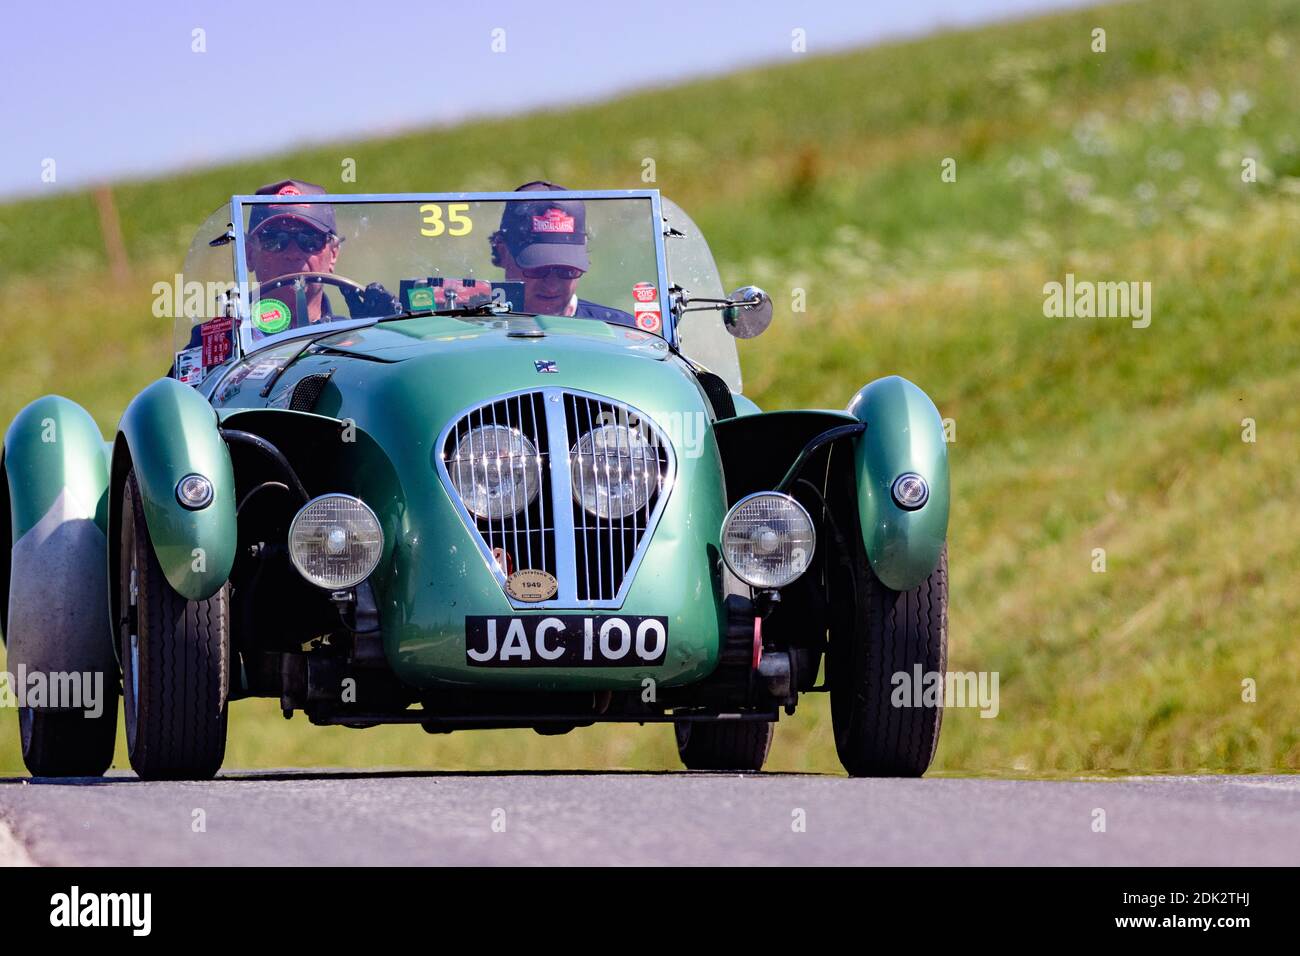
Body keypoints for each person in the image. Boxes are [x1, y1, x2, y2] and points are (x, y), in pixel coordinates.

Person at [489, 181, 635, 325]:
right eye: (538, 270)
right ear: (503, 252)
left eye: (566, 271)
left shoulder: (626, 334)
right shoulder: (470, 328)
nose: (552, 286)